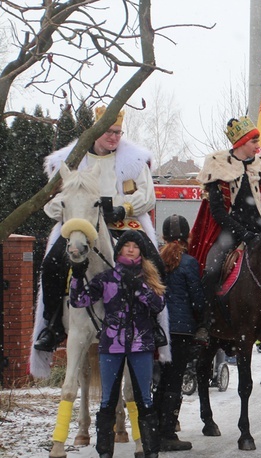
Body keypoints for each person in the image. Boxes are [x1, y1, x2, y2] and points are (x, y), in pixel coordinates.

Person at [35, 105, 160, 352]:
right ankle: (53, 325)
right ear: (96, 131)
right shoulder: (70, 160)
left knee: (155, 264)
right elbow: (51, 200)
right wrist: (72, 210)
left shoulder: (134, 161)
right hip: (80, 225)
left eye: (118, 132)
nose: (114, 137)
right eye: (109, 132)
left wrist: (123, 208)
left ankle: (154, 324)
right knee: (51, 264)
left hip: (122, 224)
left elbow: (148, 197)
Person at [69, 230, 166, 458]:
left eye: (135, 246)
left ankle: (151, 454)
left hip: (141, 346)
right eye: (126, 246)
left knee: (145, 400)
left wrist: (139, 288)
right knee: (107, 402)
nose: (131, 249)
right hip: (111, 346)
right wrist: (77, 276)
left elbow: (159, 304)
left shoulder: (149, 277)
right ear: (119, 250)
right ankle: (104, 456)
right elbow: (78, 300)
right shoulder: (106, 278)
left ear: (141, 252)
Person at [187, 116, 261, 342]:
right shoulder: (219, 166)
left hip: (259, 234)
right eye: (254, 141)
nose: (258, 146)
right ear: (242, 143)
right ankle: (206, 323)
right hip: (229, 233)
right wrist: (242, 233)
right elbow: (217, 212)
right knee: (211, 269)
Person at [153, 215, 205, 451]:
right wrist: (203, 321)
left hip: (160, 328)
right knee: (175, 380)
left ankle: (153, 428)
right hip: (181, 330)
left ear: (163, 237)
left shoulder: (155, 262)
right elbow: (197, 299)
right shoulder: (189, 263)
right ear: (187, 238)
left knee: (161, 379)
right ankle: (167, 432)